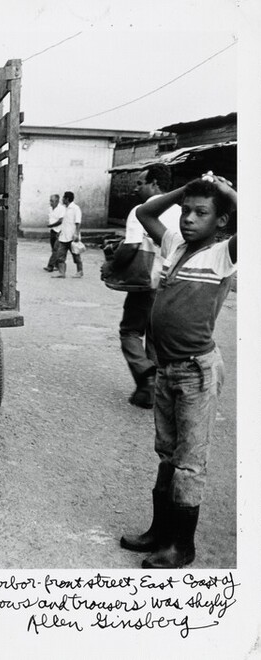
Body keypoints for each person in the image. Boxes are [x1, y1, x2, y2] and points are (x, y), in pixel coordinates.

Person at [119, 173, 236, 569]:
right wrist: (184, 191)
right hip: (167, 369)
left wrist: (225, 192)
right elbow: (146, 210)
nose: (188, 218)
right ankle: (159, 531)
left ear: (221, 221)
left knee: (190, 461)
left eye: (201, 213)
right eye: (186, 211)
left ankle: (180, 546)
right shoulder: (174, 244)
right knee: (167, 454)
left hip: (196, 372)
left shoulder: (223, 254)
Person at [104, 164, 181, 408]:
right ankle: (151, 391)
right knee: (156, 337)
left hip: (147, 282)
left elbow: (130, 247)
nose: (136, 189)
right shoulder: (180, 212)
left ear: (155, 183)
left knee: (130, 331)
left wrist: (110, 268)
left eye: (140, 183)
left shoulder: (141, 210)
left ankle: (145, 370)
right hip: (172, 283)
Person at [49, 191, 83, 278]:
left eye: (63, 198)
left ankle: (80, 271)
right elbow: (64, 222)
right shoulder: (65, 208)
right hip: (63, 236)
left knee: (76, 255)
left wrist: (76, 234)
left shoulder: (75, 208)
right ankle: (62, 272)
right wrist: (60, 232)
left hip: (72, 237)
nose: (62, 199)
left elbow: (78, 222)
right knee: (60, 255)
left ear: (67, 199)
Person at [43, 194, 65, 271]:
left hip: (59, 231)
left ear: (57, 201)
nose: (50, 202)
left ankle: (50, 266)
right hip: (52, 231)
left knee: (56, 249)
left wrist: (51, 225)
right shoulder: (50, 209)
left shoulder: (62, 208)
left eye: (52, 201)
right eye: (50, 200)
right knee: (54, 249)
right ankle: (57, 265)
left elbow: (61, 221)